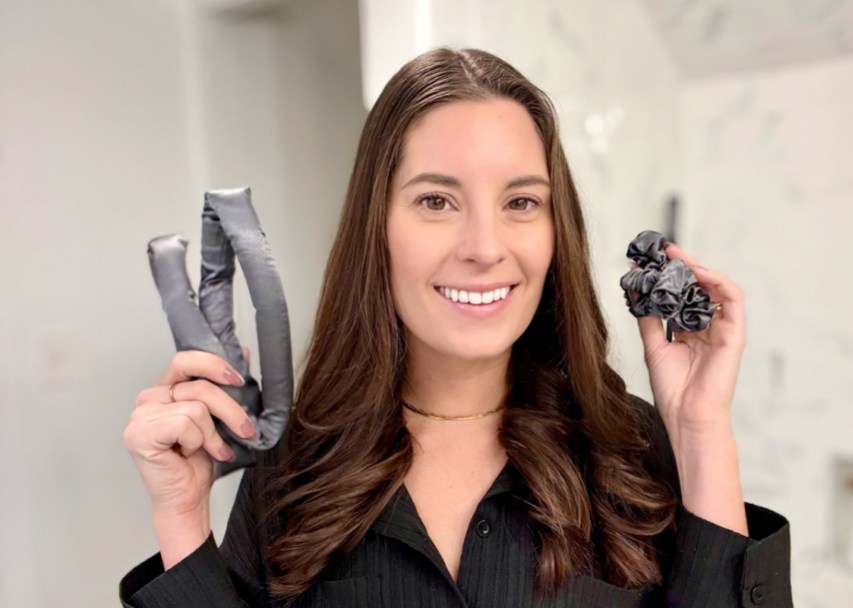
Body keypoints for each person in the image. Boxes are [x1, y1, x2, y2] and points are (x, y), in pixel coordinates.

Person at [120, 48, 792, 607]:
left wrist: (702, 431)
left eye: (521, 201)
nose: (484, 246)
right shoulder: (295, 465)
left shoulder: (629, 446)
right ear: (376, 228)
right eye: (437, 200)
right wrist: (181, 516)